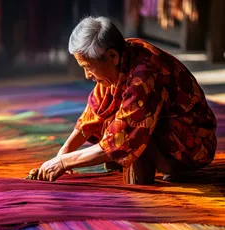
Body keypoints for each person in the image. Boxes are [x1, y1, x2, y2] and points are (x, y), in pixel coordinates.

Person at [27, 16, 217, 184]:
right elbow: (94, 112)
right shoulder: (119, 57)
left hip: (193, 146)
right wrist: (64, 151)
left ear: (112, 56)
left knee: (130, 131)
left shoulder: (144, 76)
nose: (86, 75)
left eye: (88, 67)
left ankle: (167, 169)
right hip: (168, 132)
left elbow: (121, 138)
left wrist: (64, 162)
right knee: (109, 115)